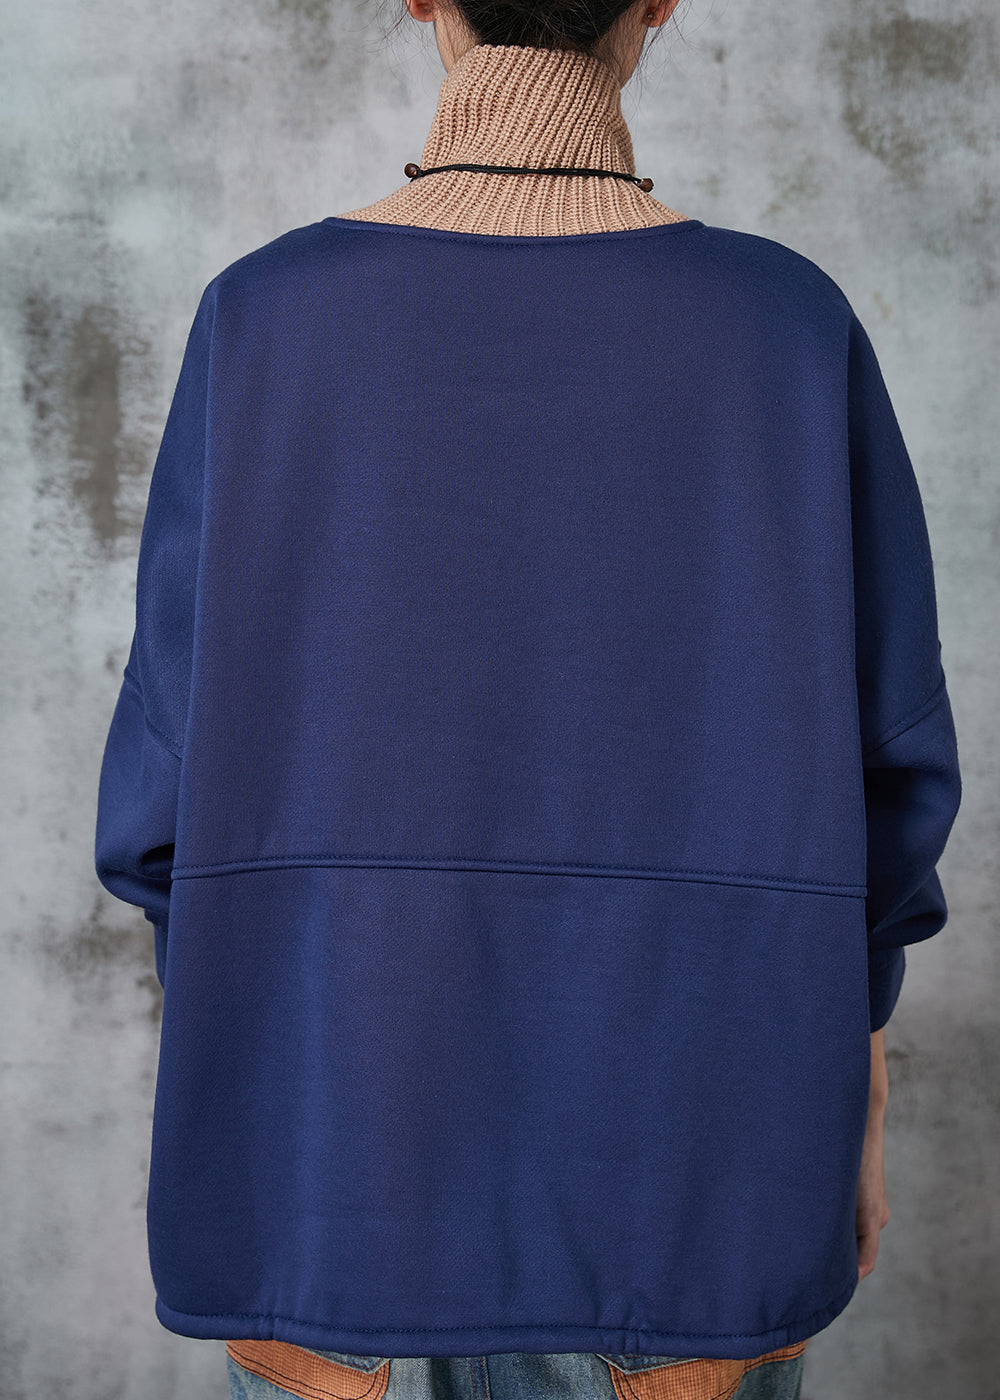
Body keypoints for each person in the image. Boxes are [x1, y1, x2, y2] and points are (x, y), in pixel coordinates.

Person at [93, 1, 963, 1398]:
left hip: (334, 1171)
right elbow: (894, 778)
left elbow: (159, 803)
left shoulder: (262, 320)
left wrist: (282, 1054)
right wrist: (848, 1087)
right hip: (701, 1178)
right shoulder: (787, 325)